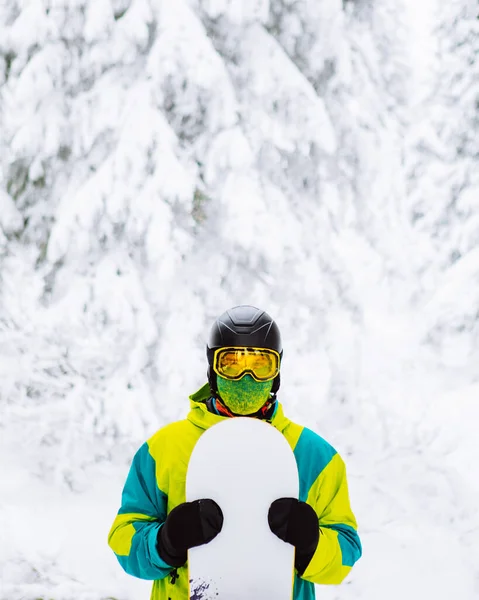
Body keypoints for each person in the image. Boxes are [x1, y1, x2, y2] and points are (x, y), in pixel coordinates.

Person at [108, 305, 362, 599]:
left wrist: (312, 545)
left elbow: (346, 554)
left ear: (277, 372)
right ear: (211, 369)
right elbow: (122, 540)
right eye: (230, 363)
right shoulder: (164, 449)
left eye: (261, 364)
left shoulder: (314, 456)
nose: (247, 376)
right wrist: (165, 542)